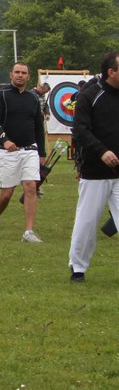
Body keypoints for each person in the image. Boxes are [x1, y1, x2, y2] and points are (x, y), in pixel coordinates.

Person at [66, 53, 119, 282]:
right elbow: (80, 129)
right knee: (87, 222)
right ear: (111, 71)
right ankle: (78, 267)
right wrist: (102, 151)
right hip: (95, 172)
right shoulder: (90, 96)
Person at [0, 61, 46, 243]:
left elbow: (38, 127)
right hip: (7, 152)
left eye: (24, 73)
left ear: (28, 77)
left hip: (29, 150)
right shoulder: (1, 96)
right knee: (6, 194)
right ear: (11, 75)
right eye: (17, 72)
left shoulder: (33, 99)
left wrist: (41, 153)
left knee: (30, 187)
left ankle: (28, 232)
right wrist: (5, 140)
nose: (20, 75)